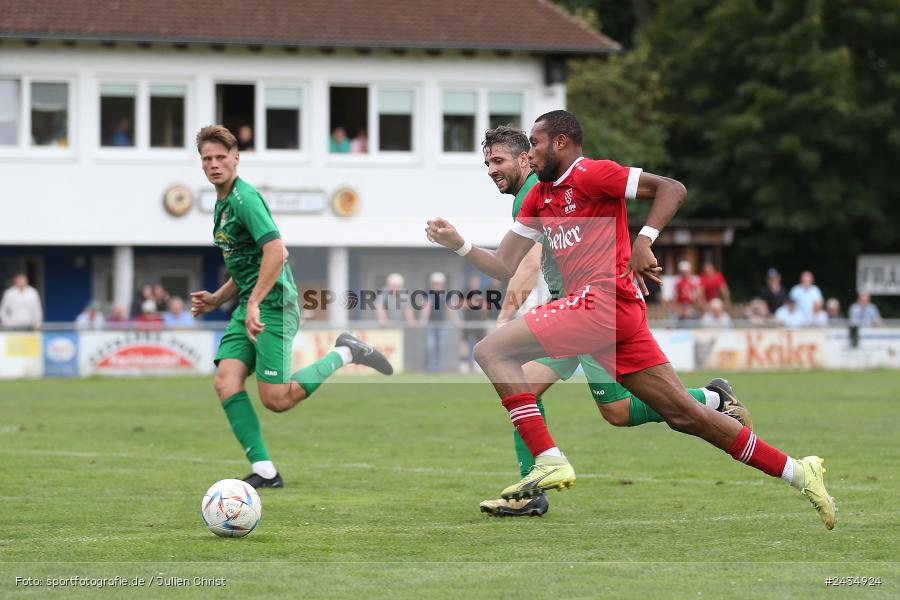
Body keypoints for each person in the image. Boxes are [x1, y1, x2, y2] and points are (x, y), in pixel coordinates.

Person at [426, 110, 836, 529]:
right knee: (682, 417)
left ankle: (548, 460)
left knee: (491, 350)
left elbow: (671, 189)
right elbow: (502, 264)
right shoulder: (537, 197)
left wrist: (645, 240)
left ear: (562, 142)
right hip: (609, 314)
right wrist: (458, 244)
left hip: (599, 304)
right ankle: (798, 471)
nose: (530, 153)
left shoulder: (591, 174)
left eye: (535, 143)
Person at [469, 125, 749, 518]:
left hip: (582, 314)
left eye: (498, 161)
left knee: (610, 409)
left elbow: (527, 261)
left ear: (523, 159)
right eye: (486, 163)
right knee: (532, 391)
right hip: (568, 310)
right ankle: (531, 487)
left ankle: (713, 398)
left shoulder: (533, 195)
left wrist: (505, 317)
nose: (491, 170)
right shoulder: (541, 190)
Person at [189, 125, 394, 489]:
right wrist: (218, 299)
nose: (214, 164)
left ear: (236, 159)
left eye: (221, 157)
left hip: (272, 307)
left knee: (277, 400)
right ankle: (265, 471)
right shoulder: (222, 204)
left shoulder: (244, 200)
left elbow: (276, 250)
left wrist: (252, 302)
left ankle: (346, 352)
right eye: (207, 158)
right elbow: (247, 262)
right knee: (226, 382)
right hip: (249, 308)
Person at [419, 272, 460, 372]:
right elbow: (426, 307)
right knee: (430, 346)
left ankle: (438, 367)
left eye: (439, 283)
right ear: (432, 283)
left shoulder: (446, 294)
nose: (438, 285)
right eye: (435, 283)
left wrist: (456, 320)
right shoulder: (427, 293)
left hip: (441, 324)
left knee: (440, 346)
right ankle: (428, 367)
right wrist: (423, 320)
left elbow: (450, 308)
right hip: (430, 324)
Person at [459, 272, 488, 373]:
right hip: (467, 322)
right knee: (465, 342)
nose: (475, 283)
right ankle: (463, 364)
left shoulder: (482, 292)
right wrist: (473, 303)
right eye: (473, 281)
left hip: (479, 322)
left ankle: (477, 364)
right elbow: (461, 304)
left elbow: (485, 307)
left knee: (479, 343)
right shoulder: (465, 291)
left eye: (477, 281)